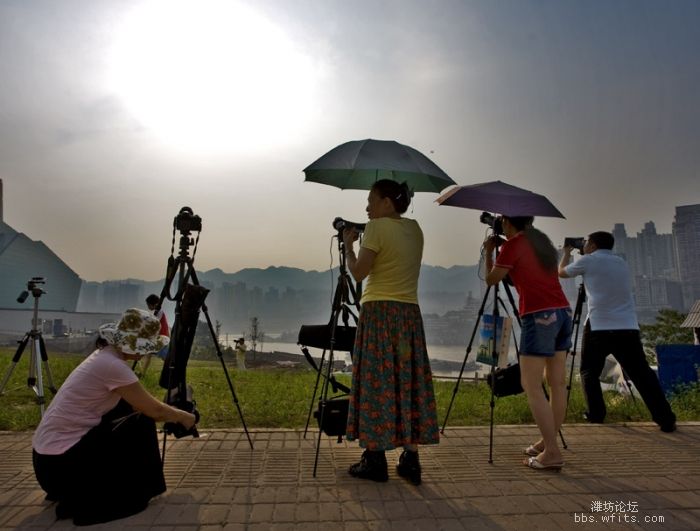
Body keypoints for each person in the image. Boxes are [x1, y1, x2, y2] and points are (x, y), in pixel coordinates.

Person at [32, 308, 197, 526]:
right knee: (142, 422)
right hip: (62, 468)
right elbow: (155, 411)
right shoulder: (113, 366)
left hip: (47, 465)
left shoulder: (103, 357)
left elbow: (136, 403)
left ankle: (118, 482)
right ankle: (139, 488)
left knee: (129, 411)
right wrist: (185, 417)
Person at [342, 179, 439, 485]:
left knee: (376, 380)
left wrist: (348, 246)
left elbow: (359, 273)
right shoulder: (416, 230)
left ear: (386, 202)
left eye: (371, 200)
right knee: (406, 380)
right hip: (408, 317)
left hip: (379, 313)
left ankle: (375, 459)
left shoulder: (377, 228)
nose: (367, 207)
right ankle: (410, 458)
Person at [559, 231, 677, 432]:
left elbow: (561, 272)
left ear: (594, 245)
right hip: (627, 326)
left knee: (589, 371)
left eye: (587, 242)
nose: (585, 245)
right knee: (642, 374)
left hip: (599, 326)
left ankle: (596, 415)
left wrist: (567, 253)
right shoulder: (621, 262)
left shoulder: (587, 261)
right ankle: (665, 418)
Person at [483, 216, 572, 470]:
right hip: (562, 312)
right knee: (557, 384)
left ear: (507, 223)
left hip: (540, 315)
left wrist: (491, 251)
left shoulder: (513, 245)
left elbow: (491, 279)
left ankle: (552, 452)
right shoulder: (540, 242)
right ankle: (547, 442)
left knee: (530, 384)